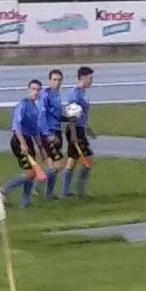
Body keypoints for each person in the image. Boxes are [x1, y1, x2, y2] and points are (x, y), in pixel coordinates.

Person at [1, 79, 44, 209]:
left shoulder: (35, 107)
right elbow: (17, 126)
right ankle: (4, 190)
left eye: (38, 90)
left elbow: (35, 130)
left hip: (28, 140)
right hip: (19, 140)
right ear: (28, 90)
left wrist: (40, 147)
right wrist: (23, 143)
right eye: (33, 89)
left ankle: (26, 202)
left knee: (32, 173)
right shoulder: (23, 105)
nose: (35, 92)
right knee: (31, 173)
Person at [63, 66, 96, 198]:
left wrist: (87, 127)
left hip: (79, 129)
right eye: (90, 78)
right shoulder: (75, 94)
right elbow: (72, 115)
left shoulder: (82, 92)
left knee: (72, 160)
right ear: (83, 77)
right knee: (89, 159)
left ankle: (66, 192)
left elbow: (82, 114)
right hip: (75, 130)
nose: (91, 81)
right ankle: (80, 191)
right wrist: (74, 134)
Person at [38, 69, 65, 200]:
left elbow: (56, 115)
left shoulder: (57, 94)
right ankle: (38, 185)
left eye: (59, 80)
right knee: (58, 164)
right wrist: (48, 134)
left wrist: (67, 118)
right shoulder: (45, 95)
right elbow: (41, 116)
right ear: (50, 81)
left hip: (57, 130)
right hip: (49, 133)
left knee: (51, 164)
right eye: (54, 80)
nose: (57, 82)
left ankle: (48, 192)